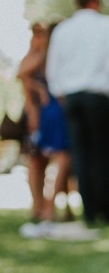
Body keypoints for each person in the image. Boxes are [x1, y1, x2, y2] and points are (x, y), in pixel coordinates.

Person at [46, 0, 109, 226]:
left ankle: (89, 211)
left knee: (81, 154)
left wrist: (61, 91)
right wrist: (103, 80)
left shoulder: (63, 30)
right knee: (102, 153)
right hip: (97, 95)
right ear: (95, 2)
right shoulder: (107, 25)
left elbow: (53, 68)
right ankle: (105, 210)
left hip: (72, 98)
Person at [17, 22, 72, 225]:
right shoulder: (38, 56)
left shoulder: (51, 55)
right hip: (42, 114)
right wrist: (38, 93)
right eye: (36, 34)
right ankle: (40, 207)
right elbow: (21, 74)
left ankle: (49, 206)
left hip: (52, 112)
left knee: (60, 157)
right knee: (38, 159)